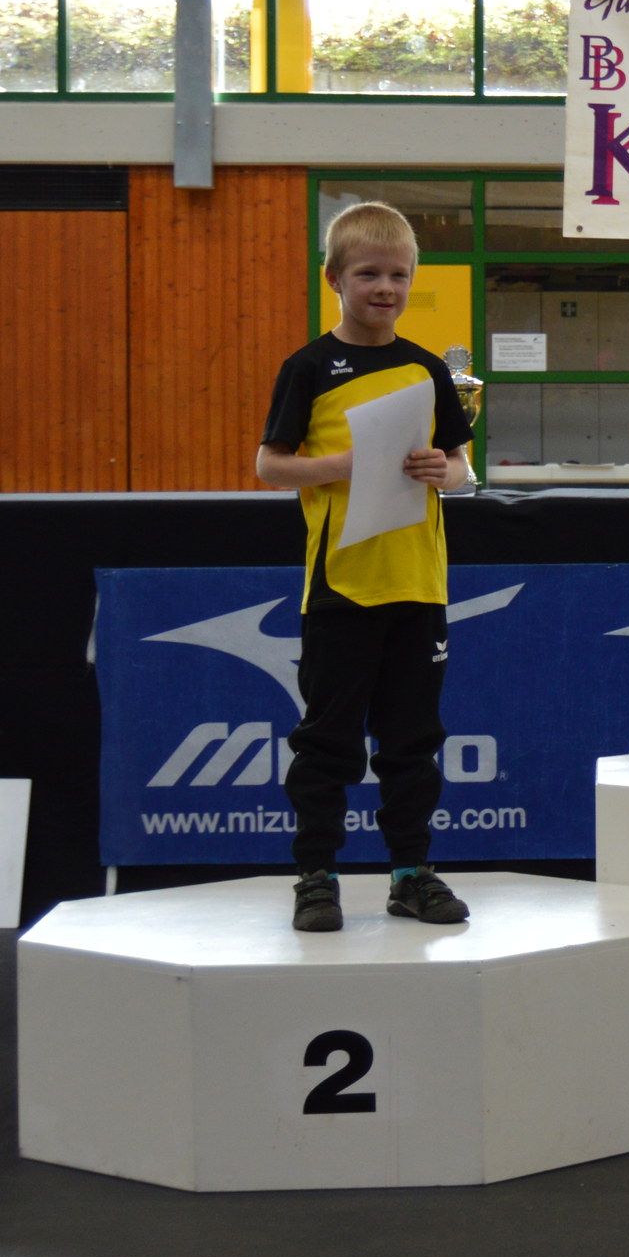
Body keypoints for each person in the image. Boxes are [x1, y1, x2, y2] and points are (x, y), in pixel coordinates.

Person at [256, 200, 479, 935]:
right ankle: (316, 878)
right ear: (335, 279)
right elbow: (269, 465)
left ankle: (411, 875)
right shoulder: (308, 367)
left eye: (399, 275)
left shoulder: (427, 368)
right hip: (341, 588)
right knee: (328, 742)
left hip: (418, 584)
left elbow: (461, 467)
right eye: (368, 274)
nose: (385, 288)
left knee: (413, 742)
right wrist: (342, 465)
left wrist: (443, 470)